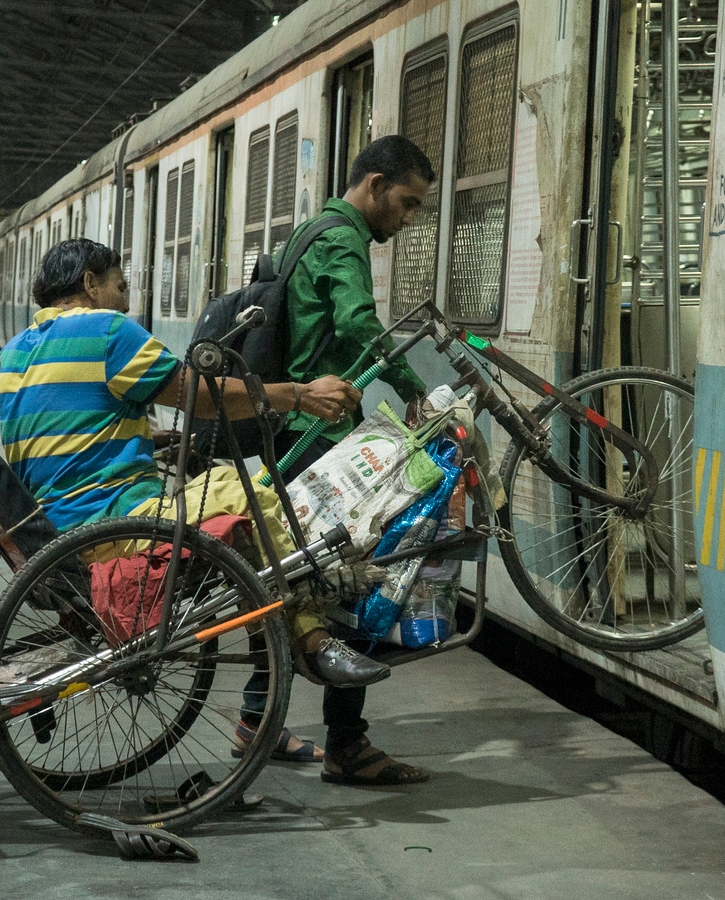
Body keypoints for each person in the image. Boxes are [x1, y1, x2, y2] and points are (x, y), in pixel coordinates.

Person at [0, 238, 390, 700]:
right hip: (114, 527)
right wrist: (299, 395)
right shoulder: (105, 331)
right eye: (120, 287)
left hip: (53, 536)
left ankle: (265, 696)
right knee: (248, 493)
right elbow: (197, 395)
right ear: (89, 284)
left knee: (226, 496)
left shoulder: (15, 351)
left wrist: (153, 438)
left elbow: (68, 427)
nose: (126, 302)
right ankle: (311, 638)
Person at [256, 134, 438, 786]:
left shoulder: (309, 231)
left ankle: (256, 718)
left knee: (279, 576)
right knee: (349, 583)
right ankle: (347, 743)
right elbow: (359, 321)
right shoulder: (343, 239)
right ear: (375, 184)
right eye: (407, 204)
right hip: (319, 434)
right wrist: (415, 389)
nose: (408, 219)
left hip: (289, 430)